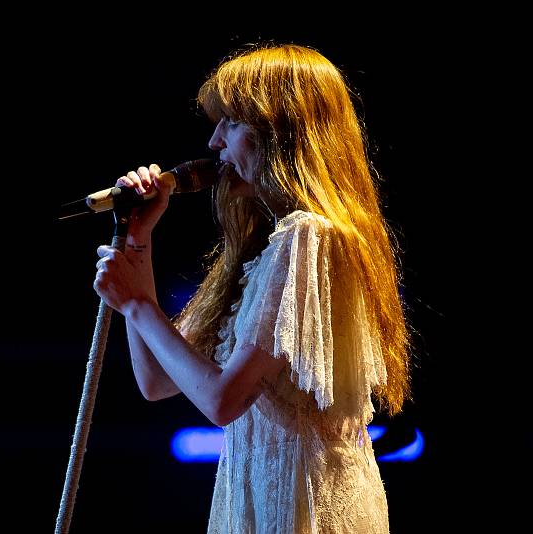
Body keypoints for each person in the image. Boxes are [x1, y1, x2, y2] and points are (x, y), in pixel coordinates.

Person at [93, 43, 411, 533]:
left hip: (303, 506)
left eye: (233, 122)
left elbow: (222, 401)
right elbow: (157, 381)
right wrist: (139, 241)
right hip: (260, 505)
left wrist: (137, 303)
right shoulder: (265, 251)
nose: (215, 141)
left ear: (284, 131)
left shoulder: (310, 236)